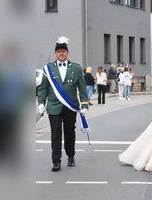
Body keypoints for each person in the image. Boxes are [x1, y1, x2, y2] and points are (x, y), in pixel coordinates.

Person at [37, 36, 89, 171]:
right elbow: (43, 88)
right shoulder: (48, 68)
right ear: (55, 53)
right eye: (59, 51)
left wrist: (84, 104)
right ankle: (56, 160)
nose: (61, 53)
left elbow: (82, 88)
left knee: (70, 132)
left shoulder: (76, 68)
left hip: (70, 105)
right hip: (54, 106)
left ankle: (71, 155)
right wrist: (41, 103)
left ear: (67, 52)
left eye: (63, 51)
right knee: (55, 134)